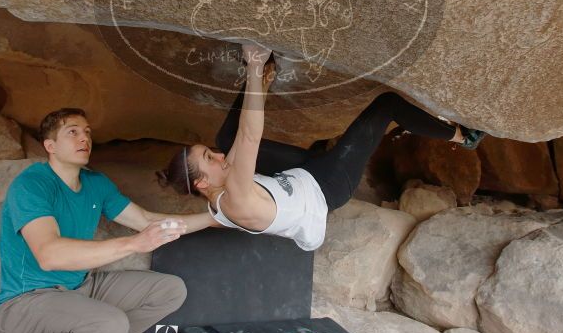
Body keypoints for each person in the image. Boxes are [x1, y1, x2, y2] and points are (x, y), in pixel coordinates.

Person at [158, 44, 486, 252]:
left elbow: (184, 220)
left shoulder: (216, 208)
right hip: (326, 186)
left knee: (227, 140)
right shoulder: (236, 200)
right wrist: (253, 67)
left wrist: (148, 231)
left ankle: (266, 72)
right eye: (208, 158)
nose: (217, 156)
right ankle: (463, 137)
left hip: (298, 173)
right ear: (202, 182)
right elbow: (249, 137)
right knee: (386, 105)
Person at [0, 108, 217, 333]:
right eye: (73, 132)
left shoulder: (95, 183)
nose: (84, 138)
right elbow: (49, 255)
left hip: (82, 287)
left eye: (87, 132)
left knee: (170, 290)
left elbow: (145, 220)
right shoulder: (32, 184)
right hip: (29, 301)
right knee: (111, 325)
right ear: (50, 146)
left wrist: (214, 218)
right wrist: (133, 244)